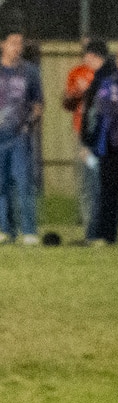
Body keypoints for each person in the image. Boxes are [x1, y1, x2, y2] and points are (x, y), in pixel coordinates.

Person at [84, 44, 118, 244]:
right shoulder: (107, 84)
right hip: (111, 146)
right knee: (109, 193)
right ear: (117, 61)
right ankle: (107, 236)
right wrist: (90, 142)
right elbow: (98, 112)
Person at [0, 29, 43, 244]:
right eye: (13, 43)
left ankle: (29, 231)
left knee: (24, 182)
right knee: (1, 184)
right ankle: (4, 230)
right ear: (2, 45)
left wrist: (29, 122)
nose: (17, 47)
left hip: (19, 136)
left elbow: (38, 104)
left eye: (20, 43)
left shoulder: (30, 72)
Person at [63, 38, 108, 237]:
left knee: (97, 180)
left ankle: (96, 227)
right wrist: (73, 94)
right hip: (82, 135)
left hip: (98, 137)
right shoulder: (77, 73)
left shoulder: (104, 75)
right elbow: (67, 103)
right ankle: (88, 223)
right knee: (85, 181)